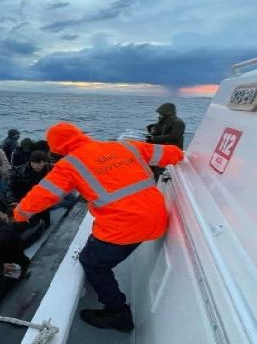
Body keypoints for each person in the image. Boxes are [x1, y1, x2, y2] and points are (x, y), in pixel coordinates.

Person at [13, 121, 184, 332]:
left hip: (125, 226)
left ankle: (117, 312)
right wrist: (179, 155)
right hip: (157, 218)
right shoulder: (124, 146)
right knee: (99, 251)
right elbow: (173, 153)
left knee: (92, 262)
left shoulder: (70, 165)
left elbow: (43, 195)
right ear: (80, 135)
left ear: (56, 148)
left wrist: (18, 215)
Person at [4, 150, 52, 228]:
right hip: (24, 198)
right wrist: (13, 200)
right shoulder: (20, 172)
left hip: (41, 198)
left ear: (45, 162)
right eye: (34, 163)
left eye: (40, 163)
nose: (36, 165)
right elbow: (9, 187)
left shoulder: (49, 169)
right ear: (30, 162)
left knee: (46, 223)